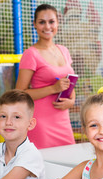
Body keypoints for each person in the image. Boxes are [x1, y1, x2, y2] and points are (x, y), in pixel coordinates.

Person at [16, 3, 75, 149]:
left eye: (51, 21)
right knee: (45, 166)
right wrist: (53, 89)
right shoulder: (31, 54)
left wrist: (72, 101)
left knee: (69, 160)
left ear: (57, 23)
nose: (47, 26)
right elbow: (19, 94)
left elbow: (70, 84)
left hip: (63, 119)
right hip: (41, 121)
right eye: (42, 22)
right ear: (35, 24)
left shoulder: (64, 51)